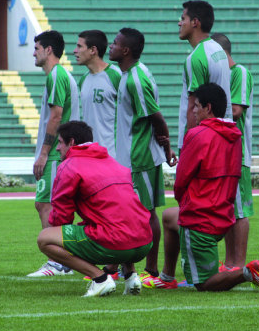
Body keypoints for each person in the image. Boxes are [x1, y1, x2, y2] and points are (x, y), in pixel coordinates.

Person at [145, 83, 259, 292]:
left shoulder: (197, 135)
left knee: (203, 284)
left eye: (196, 106)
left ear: (208, 108)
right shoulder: (233, 135)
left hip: (199, 218)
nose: (193, 110)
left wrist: (185, 203)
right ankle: (167, 277)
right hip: (222, 215)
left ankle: (246, 272)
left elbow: (181, 181)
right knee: (169, 217)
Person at [36, 121, 153, 297]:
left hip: (116, 242)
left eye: (60, 142)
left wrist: (57, 228)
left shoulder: (69, 166)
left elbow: (62, 217)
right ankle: (131, 276)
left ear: (72, 142)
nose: (58, 148)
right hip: (144, 241)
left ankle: (99, 278)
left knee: (45, 238)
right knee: (122, 220)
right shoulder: (113, 162)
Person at [108, 27, 177, 283]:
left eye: (115, 43)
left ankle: (151, 269)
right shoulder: (130, 74)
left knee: (145, 213)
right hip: (133, 155)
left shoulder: (136, 79)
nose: (110, 47)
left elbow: (156, 116)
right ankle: (119, 264)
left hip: (141, 157)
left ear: (125, 50)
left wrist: (167, 147)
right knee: (135, 211)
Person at [28, 30, 80, 277]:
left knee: (44, 204)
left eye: (37, 47)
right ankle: (65, 262)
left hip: (56, 154)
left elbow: (57, 115)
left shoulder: (56, 76)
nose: (34, 52)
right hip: (62, 153)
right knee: (51, 204)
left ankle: (57, 262)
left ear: (48, 50)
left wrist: (44, 154)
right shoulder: (61, 76)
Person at [211, 33, 254, 271]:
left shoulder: (240, 73)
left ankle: (238, 263)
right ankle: (229, 262)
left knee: (239, 209)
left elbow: (236, 110)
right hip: (222, 153)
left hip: (237, 153)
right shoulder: (223, 76)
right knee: (228, 208)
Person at [177, 0, 232, 151]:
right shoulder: (218, 50)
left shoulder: (196, 57)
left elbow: (193, 107)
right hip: (221, 136)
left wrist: (188, 145)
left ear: (195, 22)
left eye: (183, 19)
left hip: (202, 143)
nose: (179, 23)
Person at [74, 30, 121, 158]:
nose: (75, 51)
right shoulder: (83, 80)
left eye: (79, 46)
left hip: (113, 155)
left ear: (93, 50)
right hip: (90, 155)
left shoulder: (116, 76)